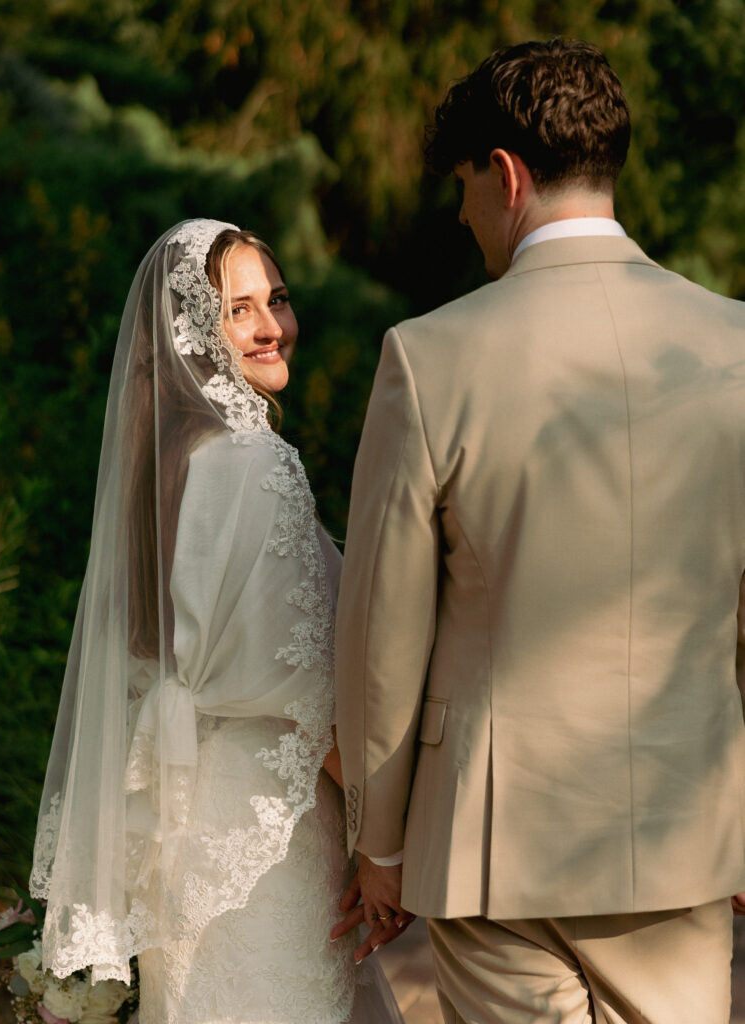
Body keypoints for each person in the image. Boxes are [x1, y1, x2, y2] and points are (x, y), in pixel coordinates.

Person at [332, 38, 745, 1024]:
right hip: (682, 830)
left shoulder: (428, 357)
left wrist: (376, 843)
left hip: (489, 840)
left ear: (506, 174)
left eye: (465, 182)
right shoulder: (732, 346)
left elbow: (380, 630)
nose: (465, 208)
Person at [29, 218, 403, 1024]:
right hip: (268, 841)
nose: (272, 327)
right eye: (239, 310)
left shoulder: (158, 473)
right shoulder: (253, 462)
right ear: (193, 330)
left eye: (276, 299)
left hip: (180, 825)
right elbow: (305, 689)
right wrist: (384, 845)